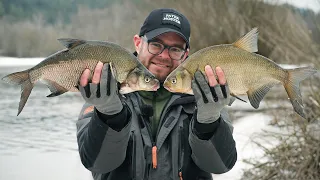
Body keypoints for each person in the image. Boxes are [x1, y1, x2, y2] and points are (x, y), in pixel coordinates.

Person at [76, 8, 237, 180]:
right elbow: (97, 163)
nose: (164, 56)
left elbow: (220, 165)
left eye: (175, 49)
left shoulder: (206, 96)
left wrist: (209, 122)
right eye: (156, 45)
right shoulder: (105, 91)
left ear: (185, 55)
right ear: (138, 43)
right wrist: (110, 116)